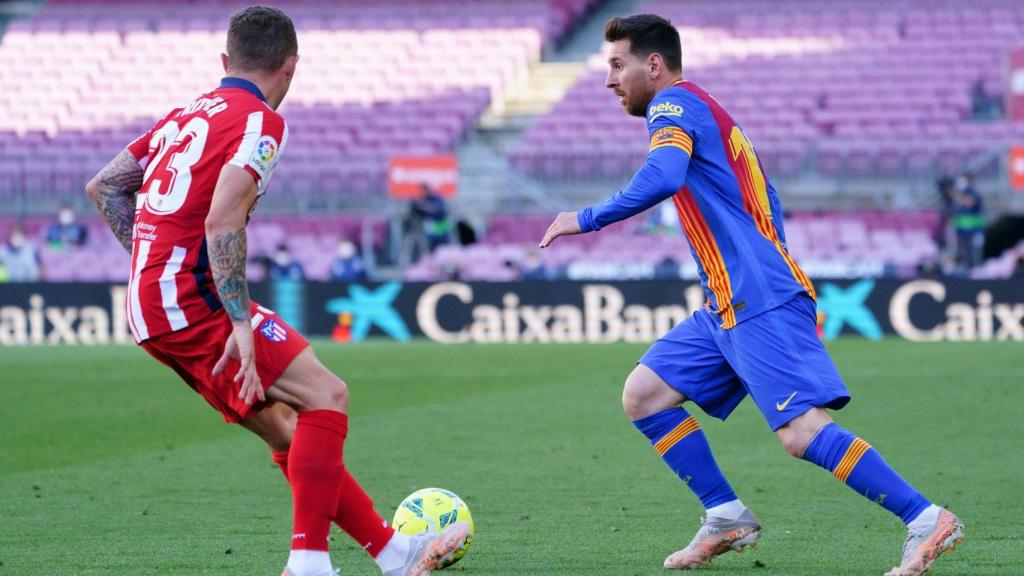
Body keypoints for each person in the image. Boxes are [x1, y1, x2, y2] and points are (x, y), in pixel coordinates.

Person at [539, 15, 962, 576]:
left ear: (655, 65)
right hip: (728, 301)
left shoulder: (672, 106)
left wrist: (583, 218)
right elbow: (768, 199)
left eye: (618, 65)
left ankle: (925, 518)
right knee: (644, 395)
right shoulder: (706, 110)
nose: (609, 80)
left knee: (800, 432)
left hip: (756, 297)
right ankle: (725, 515)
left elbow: (664, 175)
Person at [84, 6, 467, 576]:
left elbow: (106, 186)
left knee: (288, 428)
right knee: (327, 395)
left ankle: (393, 553)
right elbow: (221, 220)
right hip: (194, 299)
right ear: (292, 67)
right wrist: (239, 319)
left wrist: (149, 260)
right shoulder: (261, 120)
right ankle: (309, 564)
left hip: (149, 303)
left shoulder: (183, 115)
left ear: (225, 61)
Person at [951, 172, 985, 273]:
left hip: (975, 233)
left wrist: (957, 196)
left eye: (962, 179)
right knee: (964, 258)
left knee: (975, 258)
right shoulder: (960, 194)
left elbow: (970, 203)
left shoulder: (974, 193)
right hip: (962, 232)